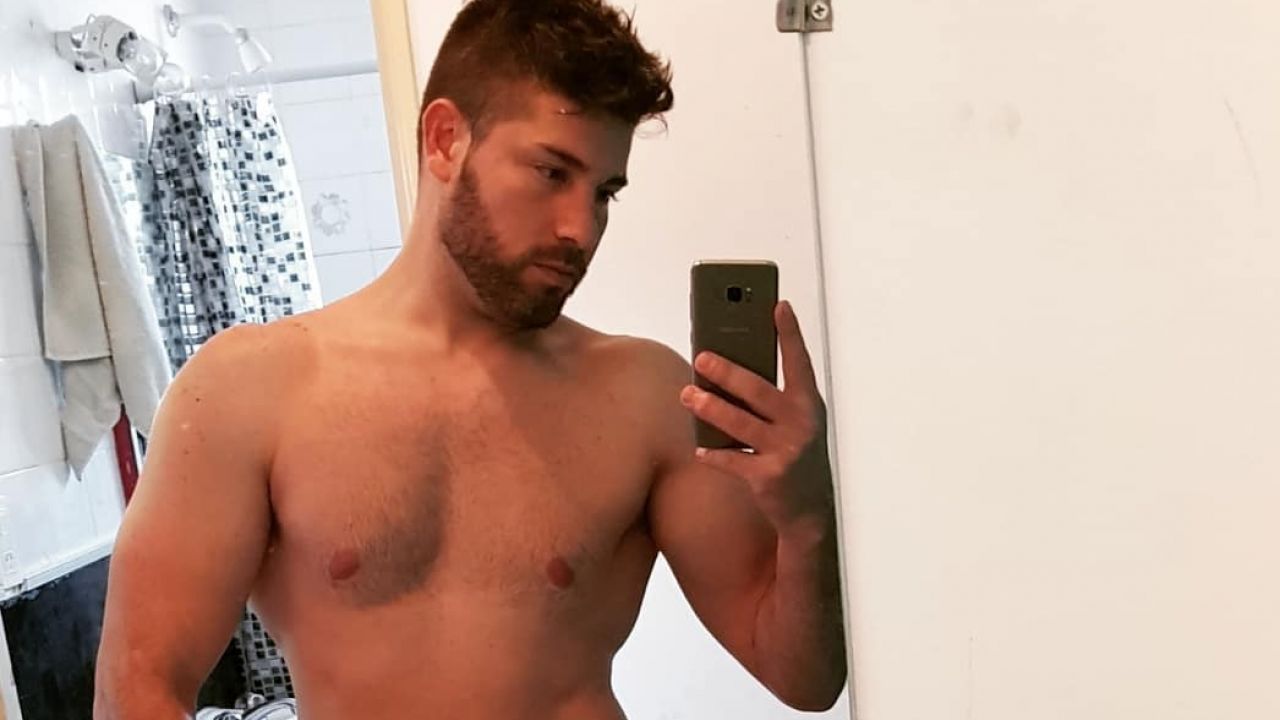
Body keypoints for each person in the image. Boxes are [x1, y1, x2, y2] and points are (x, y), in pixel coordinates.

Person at [93, 1, 846, 718]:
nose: (581, 228)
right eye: (552, 173)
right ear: (445, 139)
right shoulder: (247, 391)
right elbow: (138, 688)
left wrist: (807, 516)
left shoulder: (648, 397)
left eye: (605, 193)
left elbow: (802, 678)